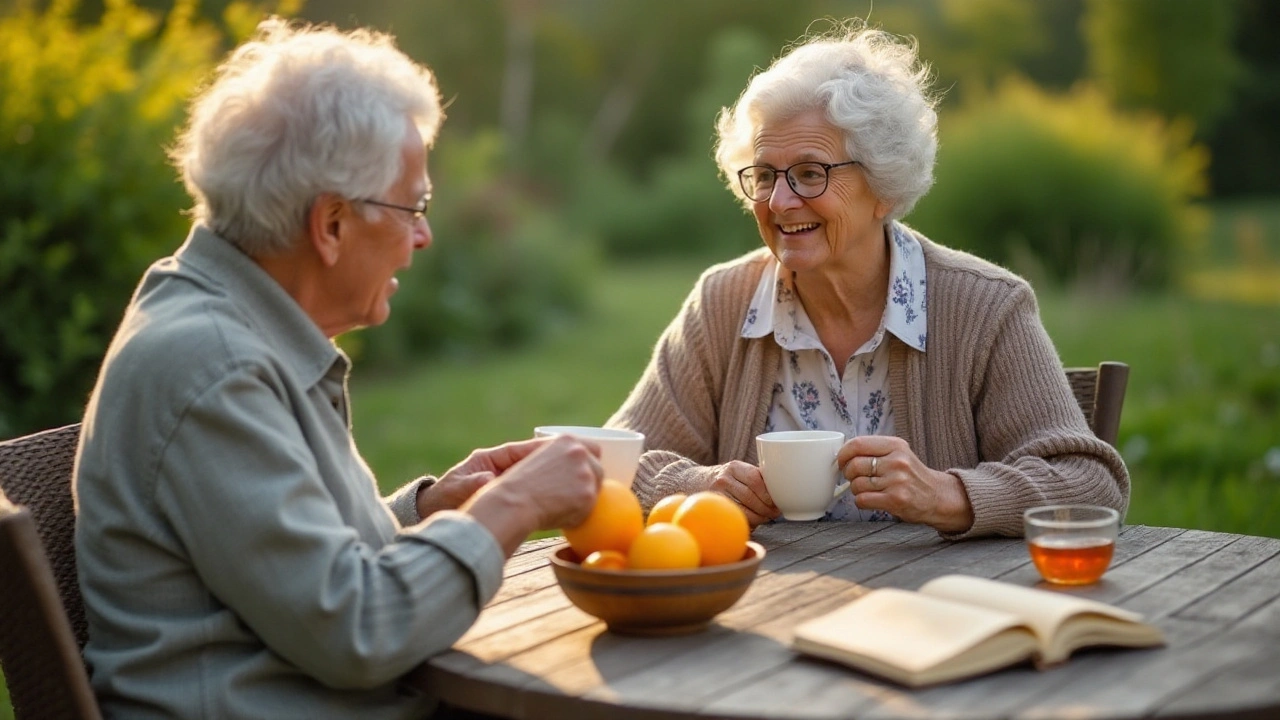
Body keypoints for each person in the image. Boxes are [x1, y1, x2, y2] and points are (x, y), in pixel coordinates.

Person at [73, 18, 601, 719]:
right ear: (331, 225)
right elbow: (357, 629)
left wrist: (425, 514)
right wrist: (516, 505)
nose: (423, 234)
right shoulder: (213, 365)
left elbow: (281, 571)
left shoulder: (232, 328)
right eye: (413, 204)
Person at [606, 20, 1128, 539]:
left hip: (935, 611)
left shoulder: (986, 308)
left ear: (884, 186)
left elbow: (1090, 485)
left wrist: (947, 494)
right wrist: (695, 486)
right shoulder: (722, 303)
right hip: (759, 610)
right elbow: (610, 464)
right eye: (765, 175)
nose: (780, 202)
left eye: (811, 173)